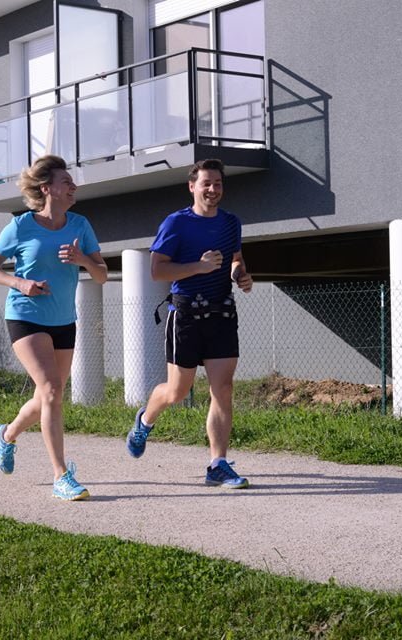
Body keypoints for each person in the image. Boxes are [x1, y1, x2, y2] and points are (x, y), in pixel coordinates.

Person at [0, 155, 107, 501]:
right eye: (66, 182)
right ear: (46, 188)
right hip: (25, 315)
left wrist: (84, 261)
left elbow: (101, 274)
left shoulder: (80, 224)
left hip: (63, 320)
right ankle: (60, 476)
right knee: (51, 390)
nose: (73, 187)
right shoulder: (22, 226)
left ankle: (6, 435)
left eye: (72, 182)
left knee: (47, 395)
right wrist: (20, 284)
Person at [126, 158, 253, 488]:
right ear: (192, 186)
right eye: (206, 183)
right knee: (177, 392)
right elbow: (158, 271)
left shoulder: (231, 223)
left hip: (222, 312)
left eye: (218, 184)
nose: (213, 189)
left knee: (222, 390)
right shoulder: (176, 223)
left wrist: (240, 275)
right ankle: (144, 421)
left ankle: (217, 464)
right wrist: (198, 267)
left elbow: (235, 258)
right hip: (185, 315)